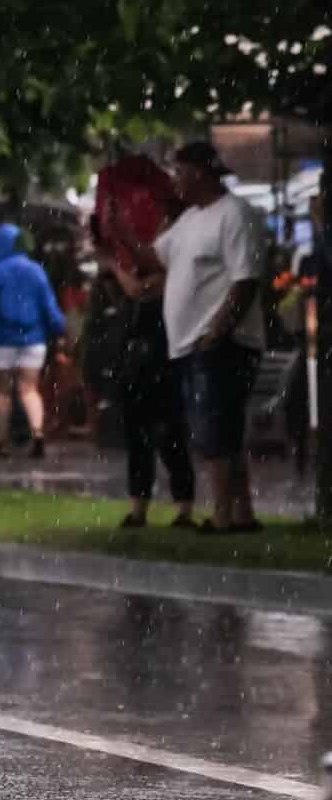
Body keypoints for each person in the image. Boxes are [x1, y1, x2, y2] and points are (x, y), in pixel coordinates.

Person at [113, 140, 268, 533]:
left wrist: (218, 330)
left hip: (220, 343)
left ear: (199, 173)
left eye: (178, 171)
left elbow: (245, 280)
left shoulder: (234, 215)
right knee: (221, 432)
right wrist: (120, 231)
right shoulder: (190, 220)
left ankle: (222, 516)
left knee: (214, 433)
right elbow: (152, 258)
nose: (173, 180)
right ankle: (242, 515)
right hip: (190, 344)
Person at [92, 252, 195, 528]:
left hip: (162, 367)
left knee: (170, 440)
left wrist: (113, 264)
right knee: (139, 442)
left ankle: (182, 508)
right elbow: (127, 297)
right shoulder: (136, 293)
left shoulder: (164, 280)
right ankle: (140, 508)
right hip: (137, 369)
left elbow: (138, 290)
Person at [0, 221, 67, 460]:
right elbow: (49, 306)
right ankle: (38, 434)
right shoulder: (36, 270)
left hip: (0, 338)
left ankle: (1, 443)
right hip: (33, 338)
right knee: (29, 389)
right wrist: (59, 328)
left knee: (1, 391)